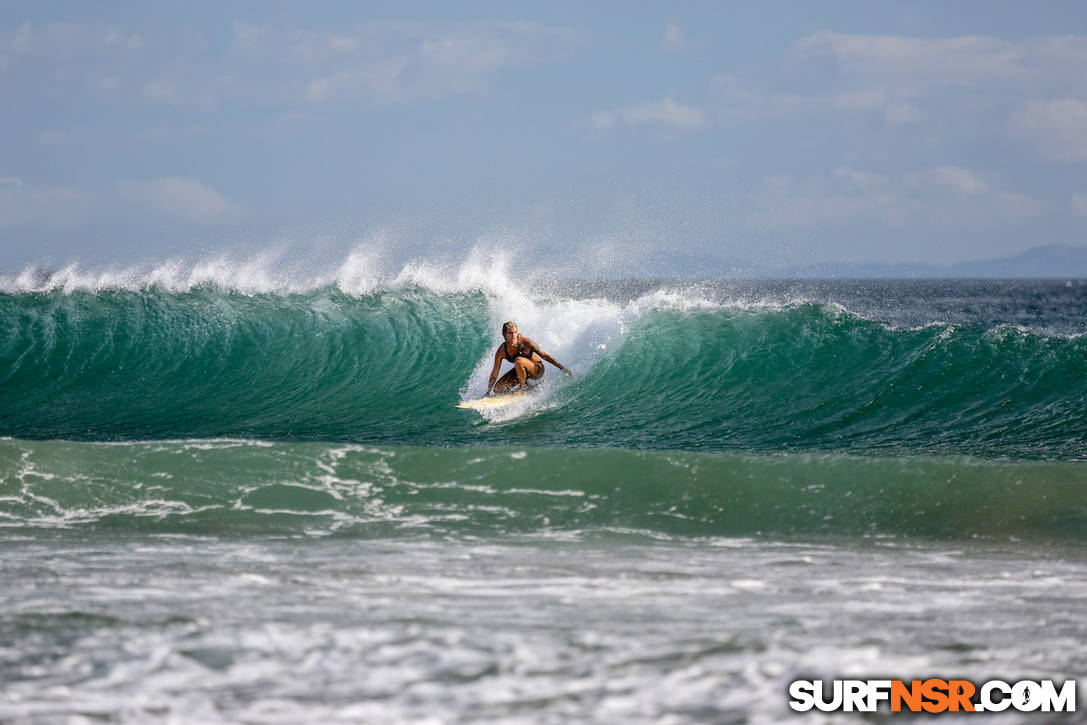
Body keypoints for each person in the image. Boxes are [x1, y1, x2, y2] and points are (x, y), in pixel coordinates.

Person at [486, 321, 571, 395]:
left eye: (515, 332)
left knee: (518, 361)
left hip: (537, 370)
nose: (514, 335)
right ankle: (526, 385)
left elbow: (544, 355)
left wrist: (562, 368)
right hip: (522, 372)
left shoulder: (526, 342)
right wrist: (488, 391)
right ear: (504, 335)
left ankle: (523, 387)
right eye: (510, 333)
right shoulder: (502, 351)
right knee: (498, 389)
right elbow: (495, 372)